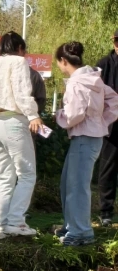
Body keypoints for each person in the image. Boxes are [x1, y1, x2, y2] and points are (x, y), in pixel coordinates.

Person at [0, 31, 46, 239]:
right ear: (20, 48)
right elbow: (21, 92)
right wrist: (33, 115)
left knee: (5, 177)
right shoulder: (18, 62)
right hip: (13, 121)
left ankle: (2, 226)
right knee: (26, 174)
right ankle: (16, 221)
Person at [53, 41, 118, 246]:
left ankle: (81, 232)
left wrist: (59, 116)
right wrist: (101, 121)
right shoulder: (93, 78)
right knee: (69, 183)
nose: (58, 66)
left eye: (58, 62)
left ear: (64, 60)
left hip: (83, 137)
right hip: (91, 136)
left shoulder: (76, 82)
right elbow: (114, 100)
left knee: (77, 186)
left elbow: (74, 114)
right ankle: (71, 226)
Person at [96, 30, 118, 226]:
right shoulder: (103, 65)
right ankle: (106, 212)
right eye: (117, 41)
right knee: (108, 168)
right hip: (110, 126)